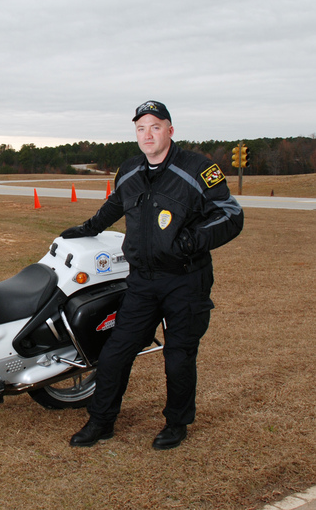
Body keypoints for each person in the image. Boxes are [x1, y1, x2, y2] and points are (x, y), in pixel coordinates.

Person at [61, 100, 244, 450]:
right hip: (142, 281)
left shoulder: (198, 169)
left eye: (155, 127)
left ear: (170, 131)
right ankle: (101, 421)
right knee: (115, 352)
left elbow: (230, 215)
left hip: (185, 280)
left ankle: (176, 423)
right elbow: (116, 203)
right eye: (141, 128)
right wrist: (88, 227)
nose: (147, 135)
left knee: (178, 357)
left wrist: (190, 241)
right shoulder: (130, 169)